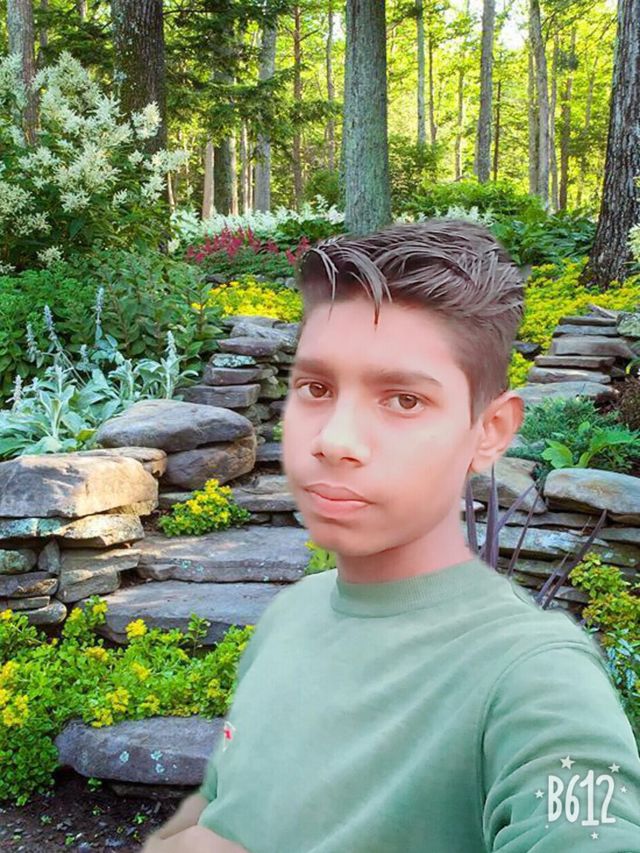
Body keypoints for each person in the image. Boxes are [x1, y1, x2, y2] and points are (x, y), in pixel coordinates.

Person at [143, 221, 640, 852]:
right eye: (316, 389)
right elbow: (230, 806)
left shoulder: (535, 678)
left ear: (489, 431)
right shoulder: (293, 613)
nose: (334, 440)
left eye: (403, 400)